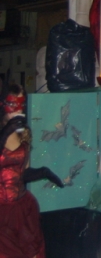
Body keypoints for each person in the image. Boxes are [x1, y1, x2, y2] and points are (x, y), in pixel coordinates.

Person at [1, 85, 63, 258]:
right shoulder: (2, 131)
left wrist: (43, 172)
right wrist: (5, 132)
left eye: (21, 104)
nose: (18, 109)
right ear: (3, 104)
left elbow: (20, 173)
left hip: (21, 208)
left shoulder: (24, 132)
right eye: (13, 104)